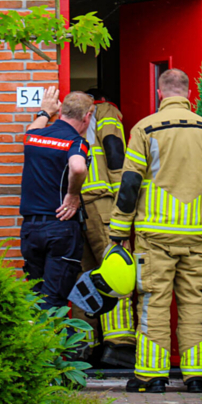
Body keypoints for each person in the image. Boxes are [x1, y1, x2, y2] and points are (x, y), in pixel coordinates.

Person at [108, 69, 202, 393]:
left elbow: (130, 184)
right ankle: (196, 377)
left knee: (153, 302)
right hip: (198, 236)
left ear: (160, 93)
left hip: (155, 235)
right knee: (195, 302)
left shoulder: (145, 129)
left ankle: (152, 377)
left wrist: (118, 231)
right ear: (189, 93)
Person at [19, 87, 94, 311]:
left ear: (60, 111)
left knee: (35, 294)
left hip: (31, 229)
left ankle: (34, 342)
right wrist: (72, 196)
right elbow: (78, 167)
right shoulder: (75, 142)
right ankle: (54, 345)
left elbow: (32, 129)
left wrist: (44, 111)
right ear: (87, 117)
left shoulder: (34, 137)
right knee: (54, 300)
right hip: (60, 228)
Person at [76, 88, 136, 366]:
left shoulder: (64, 118)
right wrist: (123, 204)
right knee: (115, 272)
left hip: (75, 205)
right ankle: (118, 345)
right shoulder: (107, 111)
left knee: (84, 275)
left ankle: (83, 345)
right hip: (102, 203)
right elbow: (115, 153)